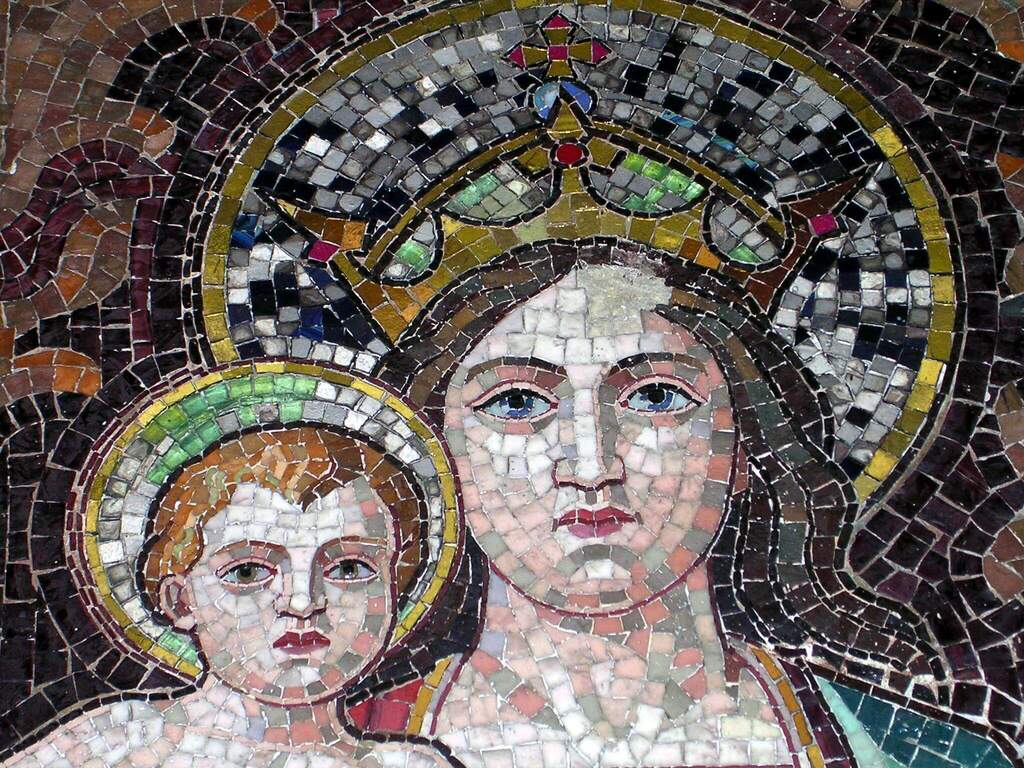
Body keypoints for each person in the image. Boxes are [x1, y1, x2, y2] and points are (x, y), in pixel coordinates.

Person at [377, 243, 1011, 767]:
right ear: (439, 458)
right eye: (517, 403)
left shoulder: (915, 752)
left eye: (656, 397)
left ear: (742, 450)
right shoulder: (350, 745)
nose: (592, 467)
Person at [6, 425, 456, 768]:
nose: (302, 604)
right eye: (247, 572)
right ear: (181, 601)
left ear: (393, 590)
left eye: (349, 568)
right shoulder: (109, 746)